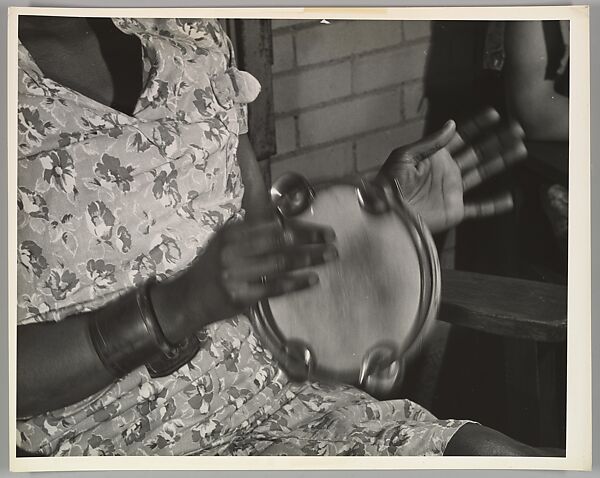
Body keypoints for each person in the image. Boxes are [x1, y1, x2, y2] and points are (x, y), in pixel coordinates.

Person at [16, 16, 541, 457]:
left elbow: (260, 248)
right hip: (113, 448)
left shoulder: (183, 26)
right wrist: (173, 308)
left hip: (285, 409)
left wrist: (376, 223)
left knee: (499, 460)